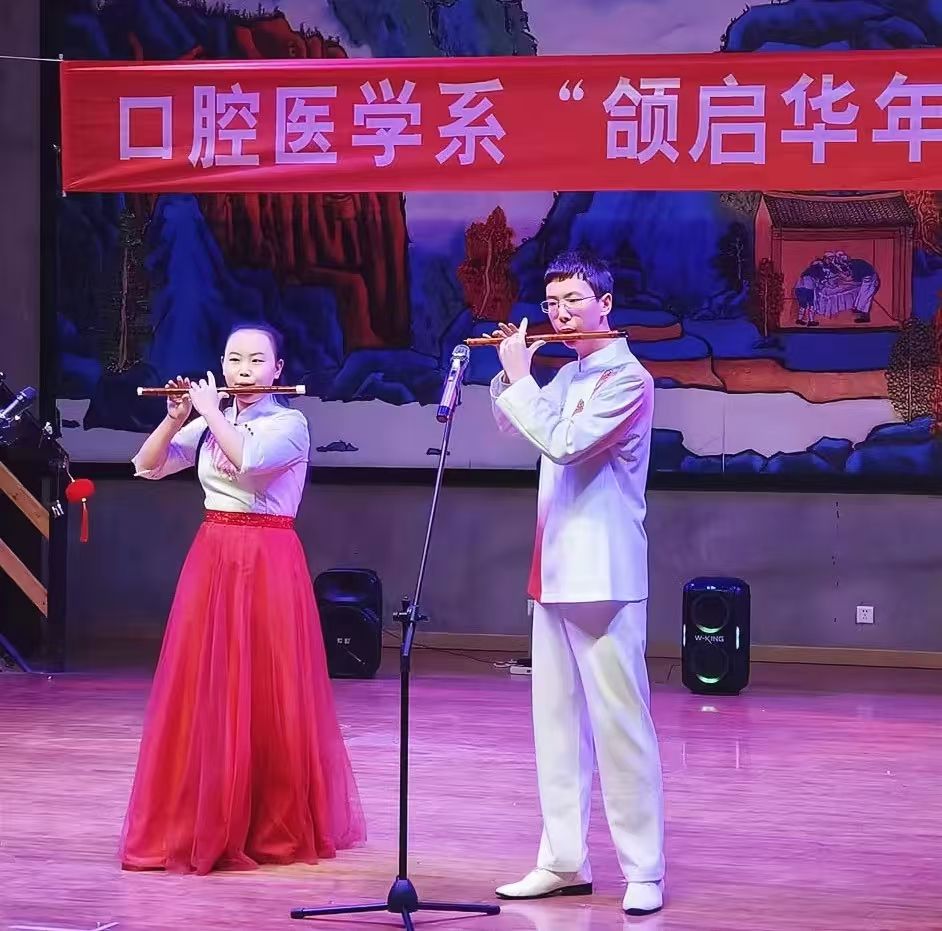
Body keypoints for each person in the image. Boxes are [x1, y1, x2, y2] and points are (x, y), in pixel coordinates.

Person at [120, 323, 365, 875]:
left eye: (257, 360)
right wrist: (175, 418)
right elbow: (147, 465)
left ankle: (269, 822)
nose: (244, 369)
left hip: (268, 556)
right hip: (213, 552)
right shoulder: (214, 419)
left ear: (278, 369)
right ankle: (204, 814)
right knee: (207, 684)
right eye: (234, 359)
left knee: (268, 687)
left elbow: (250, 462)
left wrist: (209, 413)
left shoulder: (289, 423)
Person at [488, 251, 665, 916]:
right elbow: (514, 422)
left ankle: (643, 868)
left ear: (605, 304)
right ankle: (562, 859)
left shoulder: (629, 379)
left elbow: (564, 443)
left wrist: (521, 379)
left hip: (603, 575)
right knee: (556, 725)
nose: (559, 314)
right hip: (553, 569)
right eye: (552, 302)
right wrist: (514, 371)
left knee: (621, 725)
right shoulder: (567, 374)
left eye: (573, 300)